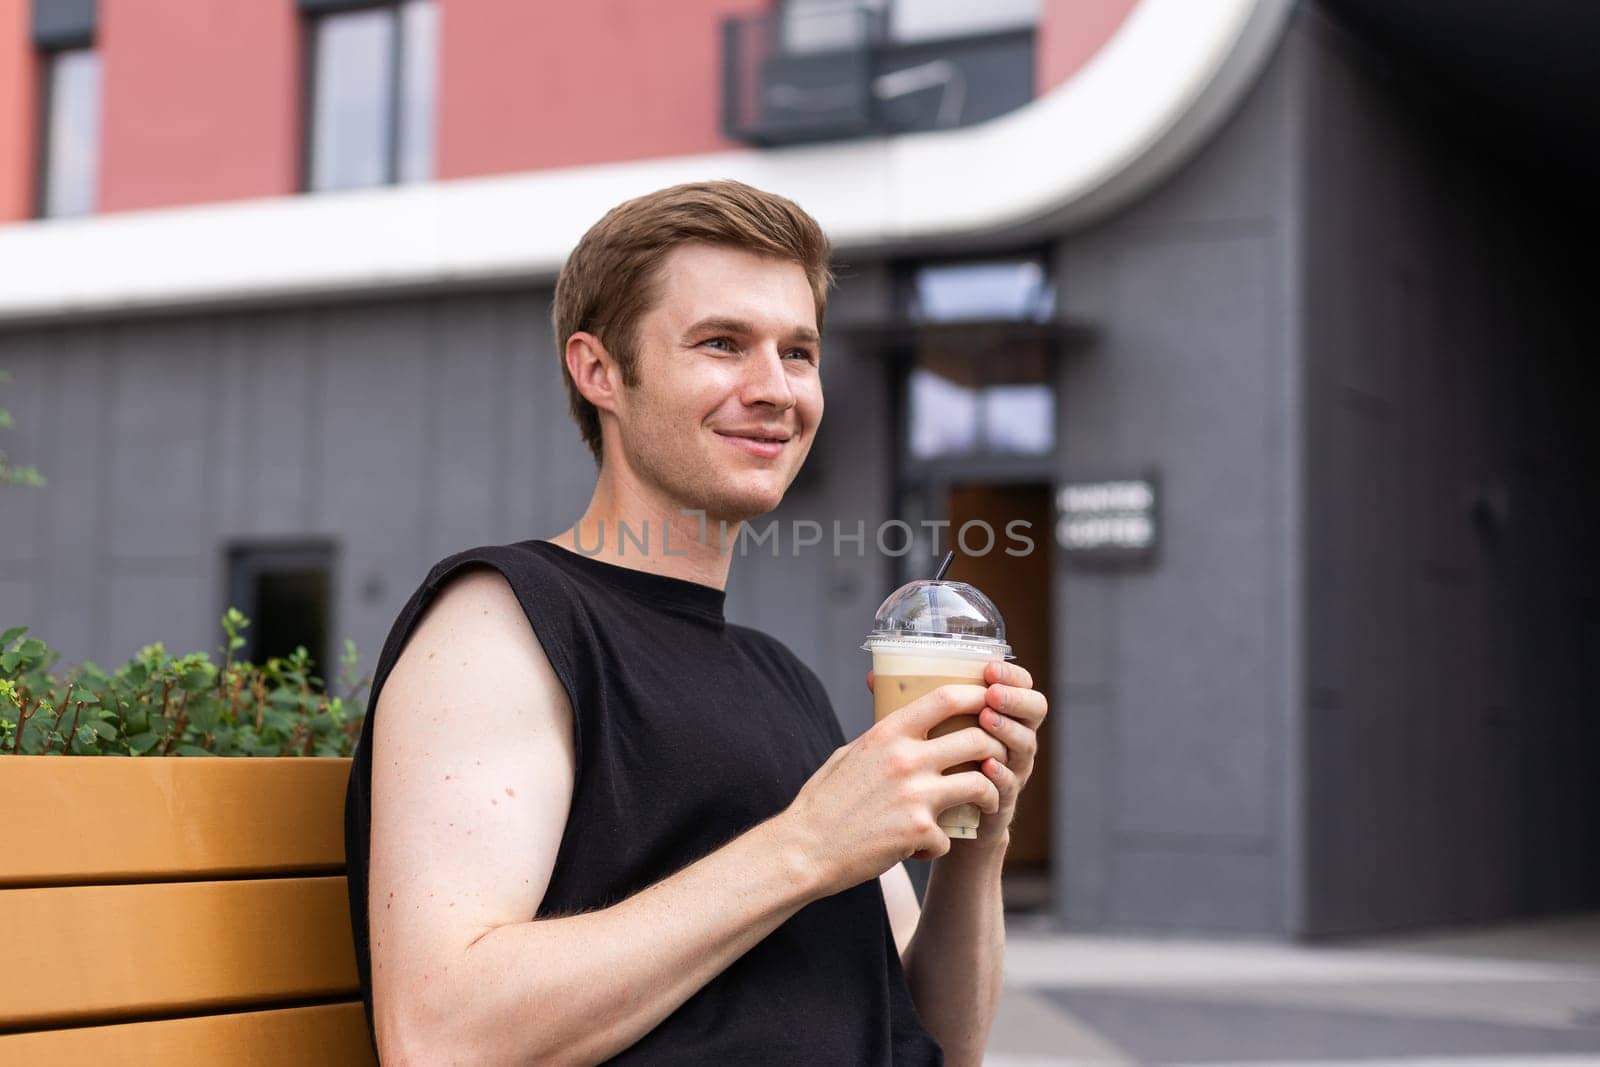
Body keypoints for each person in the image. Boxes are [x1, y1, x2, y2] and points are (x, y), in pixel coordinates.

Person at [342, 180, 1049, 1065]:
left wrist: (979, 842)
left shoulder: (779, 675)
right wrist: (805, 846)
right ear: (599, 371)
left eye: (798, 352)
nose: (775, 389)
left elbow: (933, 1038)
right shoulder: (503, 622)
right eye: (722, 344)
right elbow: (442, 1037)